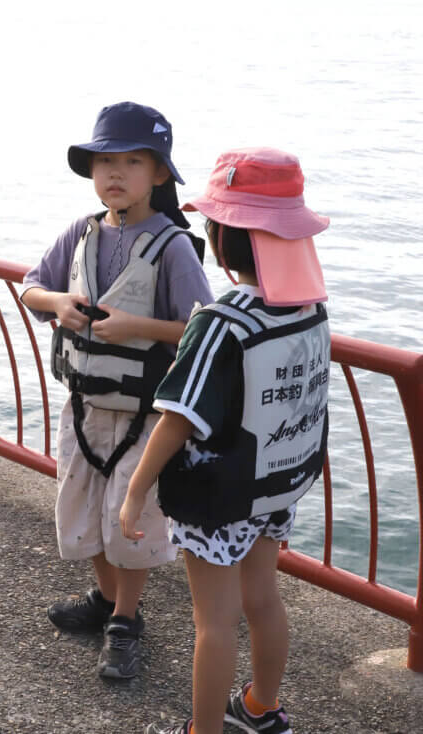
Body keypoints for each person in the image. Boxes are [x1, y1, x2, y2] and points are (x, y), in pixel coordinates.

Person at [122, 148, 331, 734]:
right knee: (263, 599)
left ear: (219, 238)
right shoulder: (309, 310)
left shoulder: (222, 321)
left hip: (218, 497)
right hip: (275, 486)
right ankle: (262, 708)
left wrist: (136, 491)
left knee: (213, 621)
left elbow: (178, 417)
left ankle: (203, 730)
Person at [20, 101, 213, 679]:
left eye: (132, 161)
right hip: (82, 409)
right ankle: (106, 601)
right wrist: (57, 303)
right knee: (85, 517)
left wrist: (139, 328)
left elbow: (201, 329)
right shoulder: (79, 233)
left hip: (145, 420)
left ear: (159, 173)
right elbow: (30, 287)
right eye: (105, 161)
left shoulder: (173, 246)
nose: (114, 173)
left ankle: (126, 620)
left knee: (132, 526)